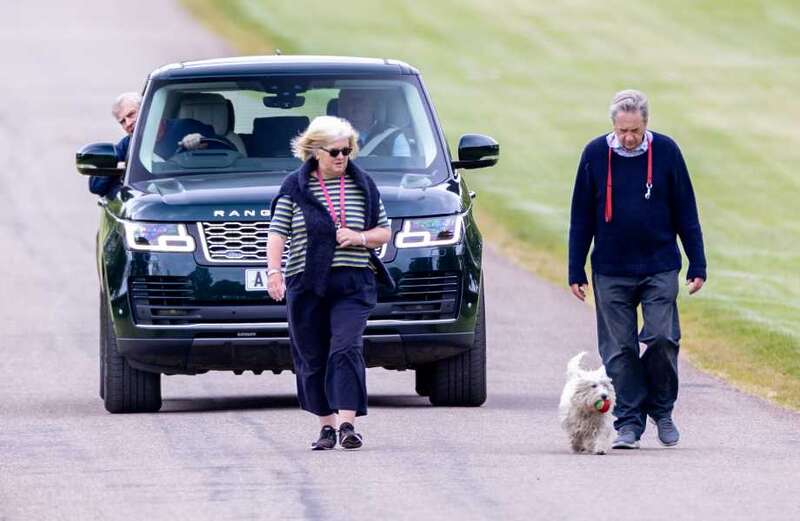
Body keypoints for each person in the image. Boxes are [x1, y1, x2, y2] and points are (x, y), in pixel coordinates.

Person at [568, 89, 707, 450]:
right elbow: (581, 217)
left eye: (636, 130)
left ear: (646, 124)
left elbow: (686, 211)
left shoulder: (667, 152)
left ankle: (661, 410)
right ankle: (629, 421)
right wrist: (575, 268)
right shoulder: (595, 154)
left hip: (659, 264)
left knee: (662, 338)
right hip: (611, 268)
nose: (630, 138)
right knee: (619, 350)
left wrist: (697, 262)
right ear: (613, 125)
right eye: (623, 130)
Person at [266, 116, 392, 450]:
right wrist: (274, 272)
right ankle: (326, 426)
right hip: (307, 283)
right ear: (314, 151)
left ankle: (349, 424)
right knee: (312, 353)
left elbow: (384, 230)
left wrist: (360, 237)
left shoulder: (363, 185)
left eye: (346, 150)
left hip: (353, 281)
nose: (341, 157)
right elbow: (277, 233)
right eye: (334, 151)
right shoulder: (295, 187)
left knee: (346, 346)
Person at [88, 92, 141, 196]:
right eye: (122, 122)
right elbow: (96, 186)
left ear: (145, 109)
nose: (128, 123)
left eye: (131, 114)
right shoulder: (128, 144)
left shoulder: (178, 131)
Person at [337, 88, 410, 156]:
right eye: (351, 101)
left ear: (373, 106)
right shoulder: (331, 136)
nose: (356, 106)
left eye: (361, 100)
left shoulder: (393, 136)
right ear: (341, 108)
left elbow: (405, 167)